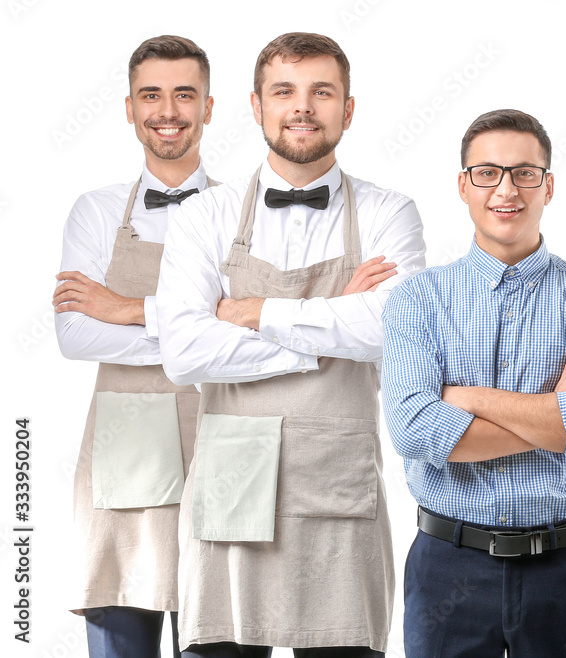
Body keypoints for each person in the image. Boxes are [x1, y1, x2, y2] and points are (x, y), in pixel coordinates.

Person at [156, 32, 426, 657]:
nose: (301, 107)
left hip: (338, 493)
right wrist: (327, 331)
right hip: (229, 487)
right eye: (284, 91)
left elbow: (394, 329)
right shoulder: (205, 215)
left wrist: (254, 314)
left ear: (347, 109)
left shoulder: (391, 212)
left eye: (321, 92)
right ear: (256, 106)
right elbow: (185, 350)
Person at [382, 109, 566, 657]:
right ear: (464, 186)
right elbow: (414, 432)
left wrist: (467, 400)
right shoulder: (417, 299)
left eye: (524, 173)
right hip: (448, 564)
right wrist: (551, 413)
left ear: (548, 186)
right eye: (487, 173)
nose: (506, 189)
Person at [53, 34, 215, 658]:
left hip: (223, 439)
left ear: (208, 105)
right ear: (128, 107)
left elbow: (253, 329)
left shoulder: (240, 210)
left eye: (183, 94)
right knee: (119, 632)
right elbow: (73, 335)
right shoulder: (93, 212)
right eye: (151, 94)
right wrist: (193, 331)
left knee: (219, 634)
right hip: (123, 448)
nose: (167, 110)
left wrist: (128, 313)